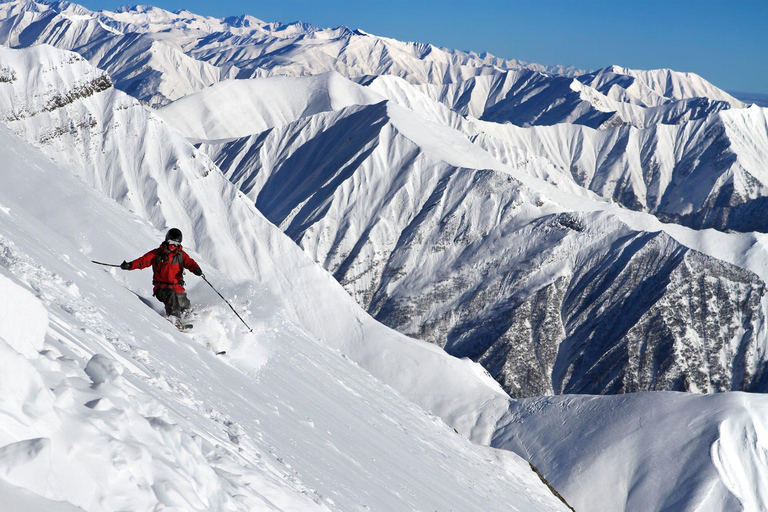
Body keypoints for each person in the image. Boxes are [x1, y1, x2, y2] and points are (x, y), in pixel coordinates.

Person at [121, 228, 203, 320]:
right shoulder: (157, 254)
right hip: (161, 288)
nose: (173, 246)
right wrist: (130, 265)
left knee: (184, 302)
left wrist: (196, 269)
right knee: (171, 296)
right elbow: (142, 261)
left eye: (176, 244)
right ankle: (175, 319)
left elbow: (189, 263)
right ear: (166, 240)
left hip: (177, 287)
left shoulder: (180, 255)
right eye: (171, 242)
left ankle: (188, 318)